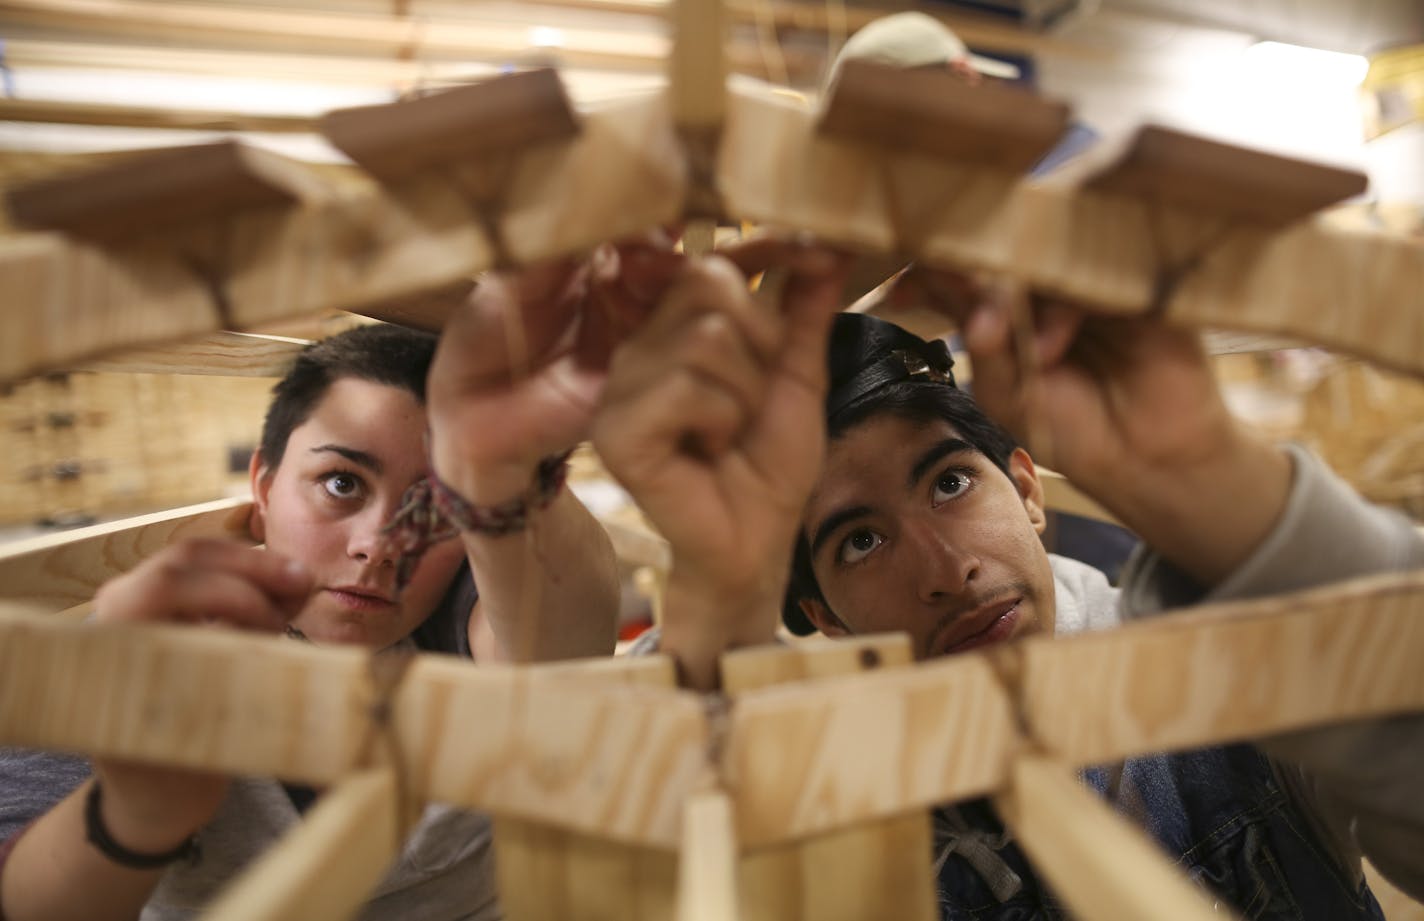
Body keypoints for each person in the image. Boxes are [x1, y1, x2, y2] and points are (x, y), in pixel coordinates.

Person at [593, 244, 1424, 919]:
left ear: (1026, 489)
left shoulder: (1224, 664)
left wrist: (1210, 475)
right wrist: (715, 583)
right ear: (824, 615)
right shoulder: (844, 789)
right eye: (861, 541)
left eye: (951, 483)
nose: (946, 570)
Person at [0, 242, 678, 921]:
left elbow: (561, 640)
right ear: (263, 484)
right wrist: (133, 812)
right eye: (341, 483)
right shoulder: (138, 651)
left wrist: (504, 468)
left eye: (436, 505)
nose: (379, 547)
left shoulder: (453, 609)